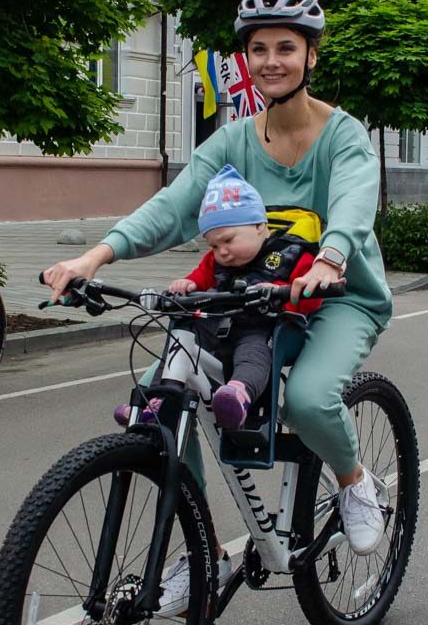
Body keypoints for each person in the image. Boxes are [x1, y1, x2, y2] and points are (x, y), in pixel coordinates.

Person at [44, 0, 395, 613]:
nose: (271, 61)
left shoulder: (344, 136)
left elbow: (351, 202)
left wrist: (332, 257)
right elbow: (173, 206)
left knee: (309, 399)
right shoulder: (233, 142)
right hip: (249, 298)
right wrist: (94, 257)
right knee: (160, 397)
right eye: (259, 49)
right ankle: (202, 550)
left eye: (286, 47)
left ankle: (354, 481)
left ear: (311, 56)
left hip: (337, 295)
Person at [139, 166, 324, 430]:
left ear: (259, 226)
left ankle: (238, 394)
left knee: (253, 354)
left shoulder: (292, 253)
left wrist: (281, 292)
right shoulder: (215, 260)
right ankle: (158, 398)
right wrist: (187, 284)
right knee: (180, 341)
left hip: (260, 325)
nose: (222, 252)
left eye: (228, 240)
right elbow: (201, 276)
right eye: (214, 245)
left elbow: (311, 298)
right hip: (218, 322)